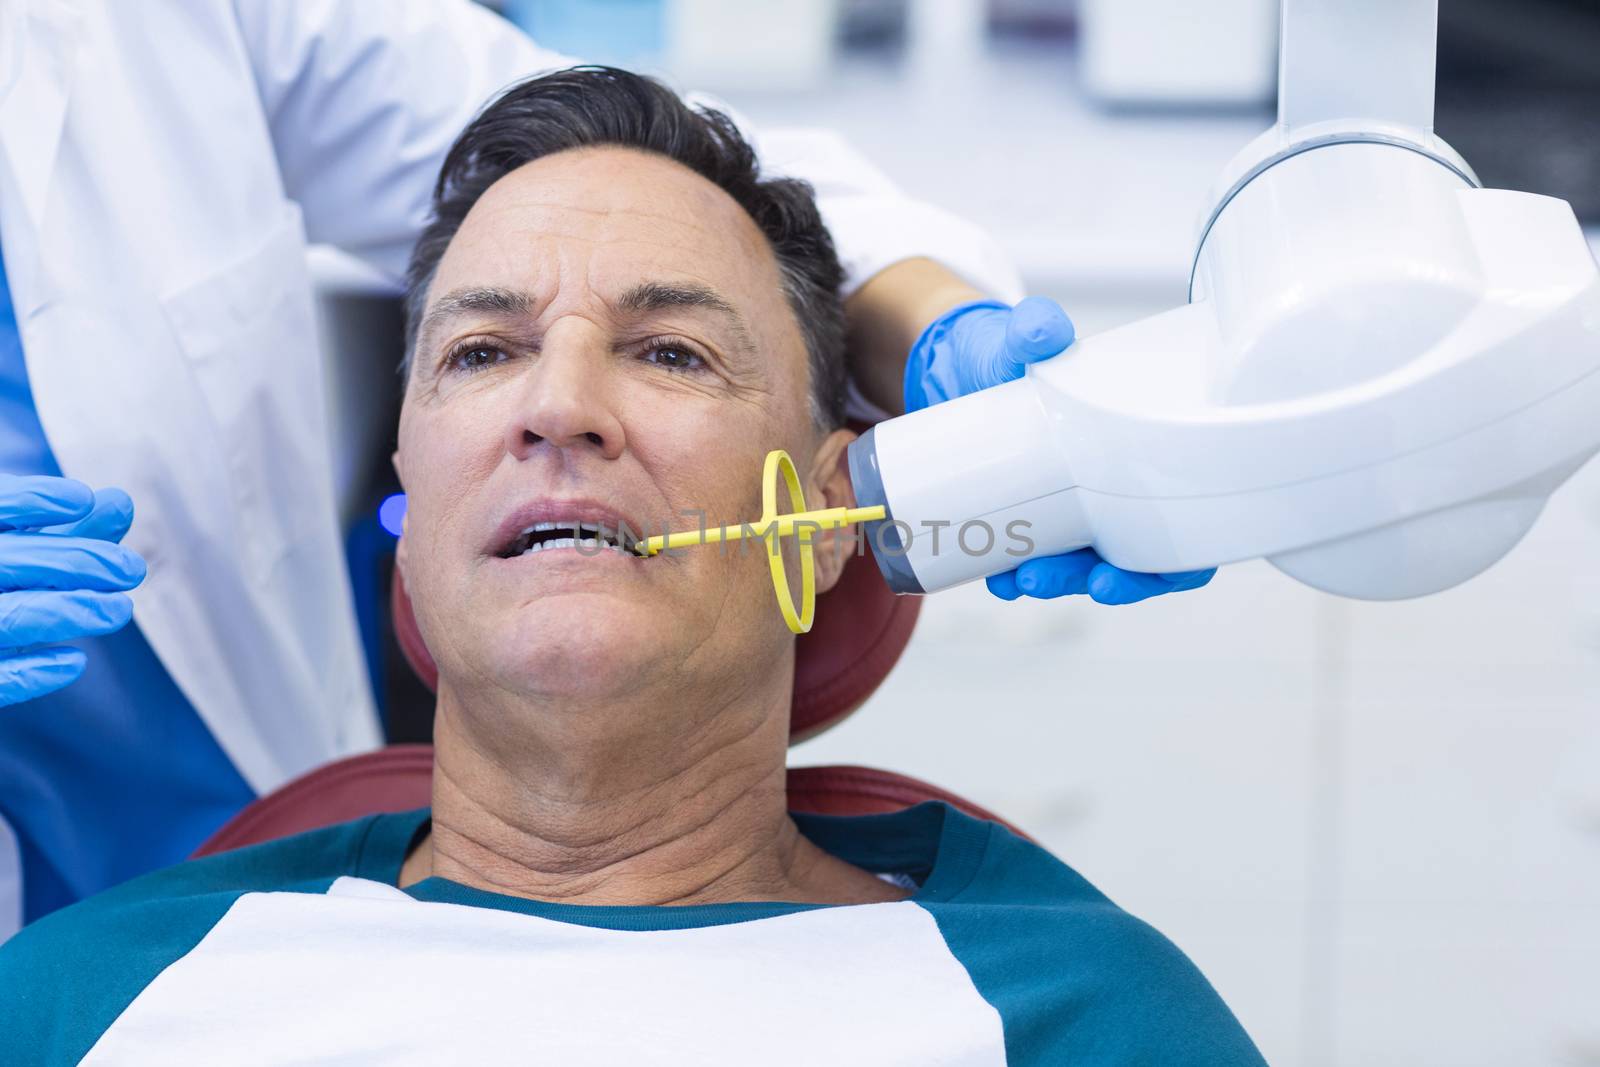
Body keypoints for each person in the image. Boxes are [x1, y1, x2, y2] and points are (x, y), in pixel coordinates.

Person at [0, 68, 1255, 1064]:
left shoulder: (1080, 1017)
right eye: (483, 351)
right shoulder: (83, 995)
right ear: (409, 490)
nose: (559, 406)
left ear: (826, 519)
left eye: (670, 352)